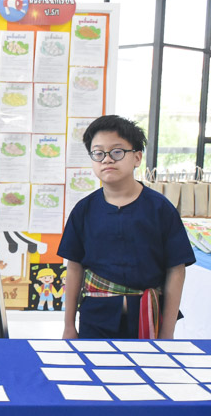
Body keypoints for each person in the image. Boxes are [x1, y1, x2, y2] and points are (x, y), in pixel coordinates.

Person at [58, 115, 195, 340]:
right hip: (95, 320)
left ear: (137, 157)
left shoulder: (161, 209)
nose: (107, 159)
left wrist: (167, 332)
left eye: (117, 152)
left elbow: (176, 270)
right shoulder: (84, 210)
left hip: (148, 319)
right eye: (98, 153)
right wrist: (69, 326)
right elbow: (74, 268)